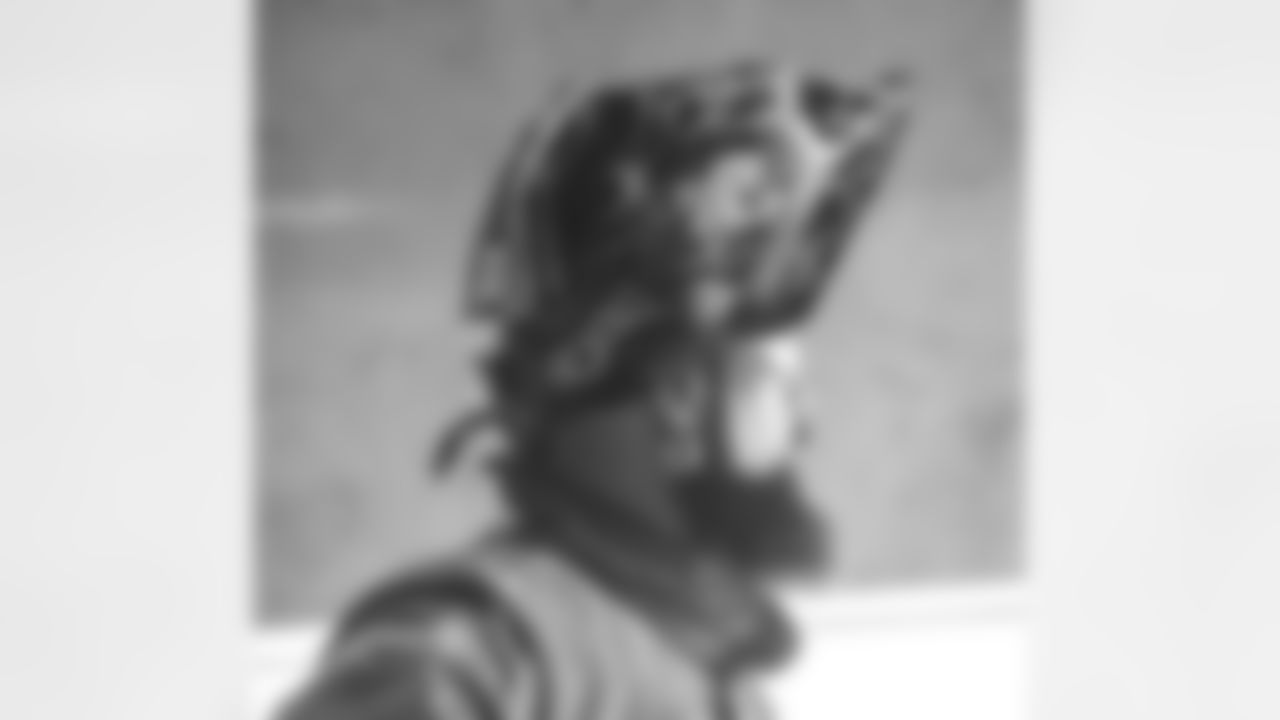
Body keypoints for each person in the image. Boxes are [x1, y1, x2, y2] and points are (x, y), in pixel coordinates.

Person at [276, 57, 909, 720]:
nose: (807, 423)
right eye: (783, 385)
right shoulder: (464, 660)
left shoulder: (712, 678)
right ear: (680, 401)